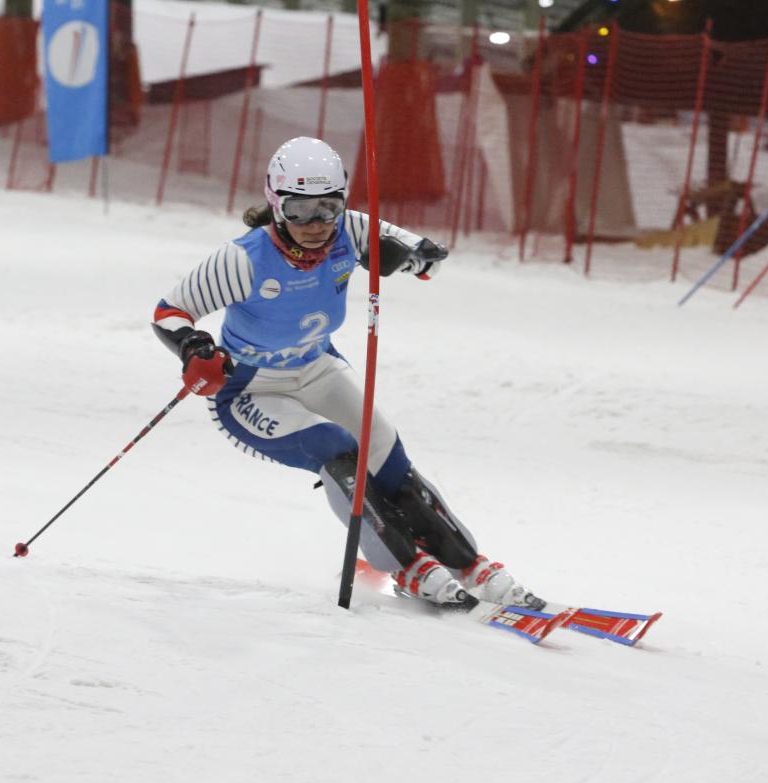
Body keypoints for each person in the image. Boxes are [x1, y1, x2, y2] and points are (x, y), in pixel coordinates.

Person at [151, 136, 544, 611]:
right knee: (336, 449)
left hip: (316, 366)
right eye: (298, 211)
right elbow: (169, 311)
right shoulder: (243, 259)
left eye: (328, 207)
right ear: (276, 205)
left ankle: (464, 561)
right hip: (250, 389)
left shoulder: (350, 231)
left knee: (383, 447)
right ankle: (407, 568)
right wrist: (194, 347)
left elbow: (427, 256)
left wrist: (410, 258)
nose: (316, 224)